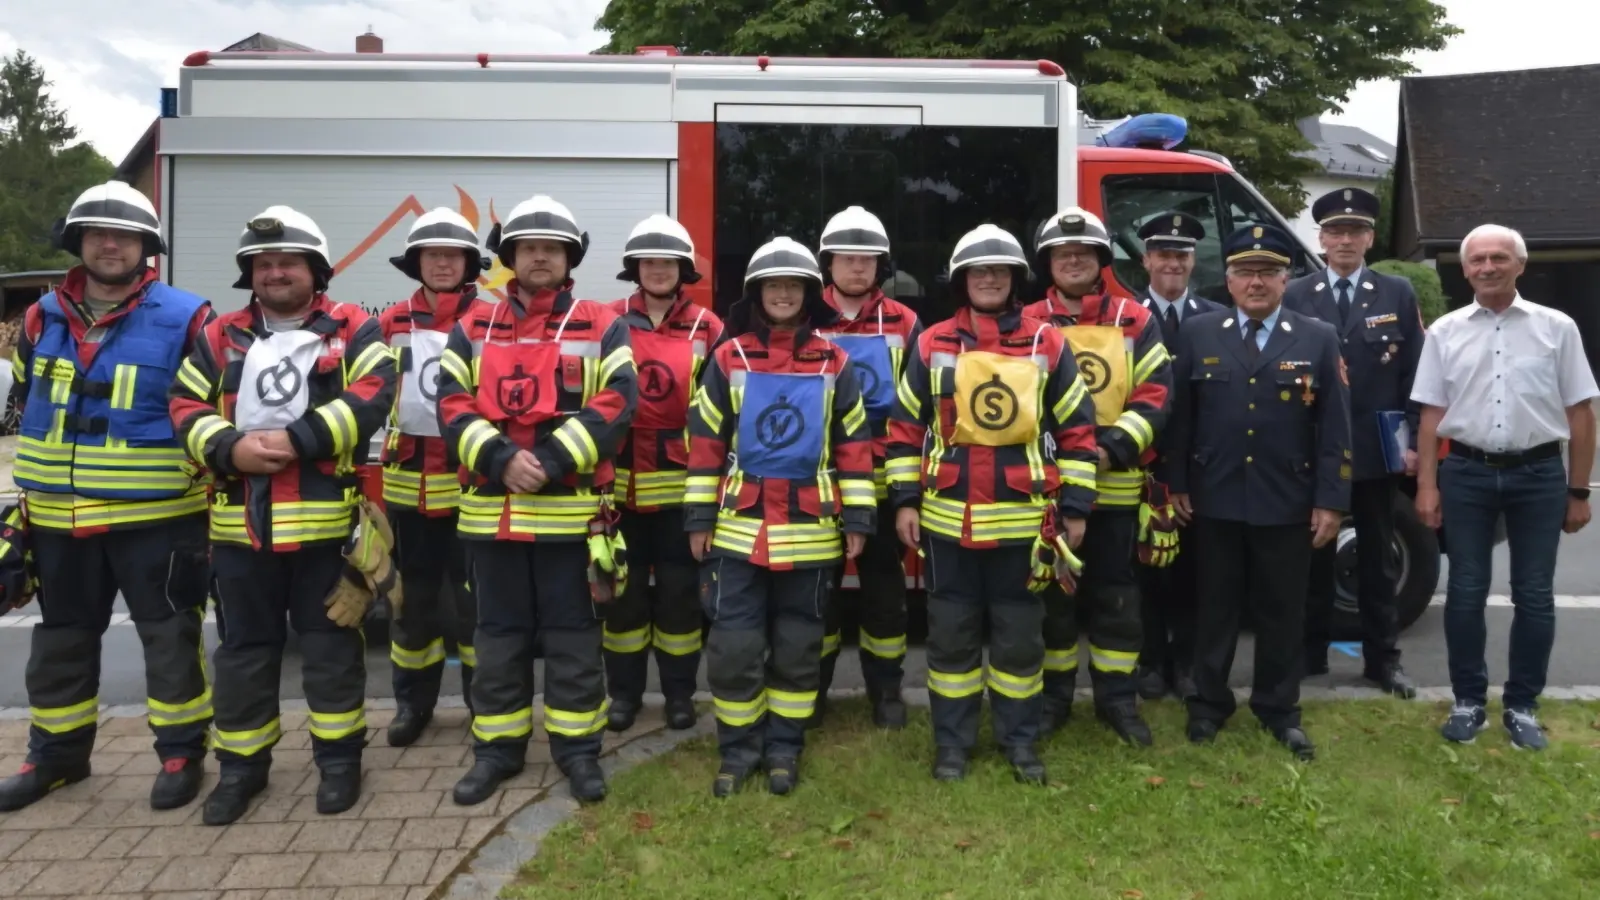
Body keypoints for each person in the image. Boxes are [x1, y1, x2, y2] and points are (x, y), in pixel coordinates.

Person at [170, 206, 397, 823]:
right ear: (250, 274)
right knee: (244, 654)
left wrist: (297, 441)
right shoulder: (220, 336)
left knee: (330, 651)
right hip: (241, 532)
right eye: (263, 264)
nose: (274, 273)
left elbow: (373, 394)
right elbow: (186, 404)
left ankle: (340, 761)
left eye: (287, 263)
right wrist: (230, 448)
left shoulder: (354, 329)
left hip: (326, 533)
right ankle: (242, 769)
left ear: (315, 270)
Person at [0, 182, 214, 813]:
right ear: (78, 242)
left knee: (170, 639)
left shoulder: (187, 317)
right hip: (59, 520)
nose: (111, 243)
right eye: (98, 233)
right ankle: (57, 758)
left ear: (148, 247)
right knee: (60, 641)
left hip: (158, 520)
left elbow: (206, 408)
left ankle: (180, 754)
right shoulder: (41, 318)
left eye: (125, 235)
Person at [435, 195, 636, 806]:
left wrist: (547, 462)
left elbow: (617, 404)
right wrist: (499, 459)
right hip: (492, 519)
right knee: (497, 638)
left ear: (569, 256)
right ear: (510, 259)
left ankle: (578, 752)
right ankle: (497, 751)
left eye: (551, 248)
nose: (539, 257)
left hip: (571, 518)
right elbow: (450, 404)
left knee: (575, 638)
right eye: (528, 249)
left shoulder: (602, 323)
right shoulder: (472, 326)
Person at [886, 225, 1099, 783]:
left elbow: (1078, 428)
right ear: (962, 280)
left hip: (1025, 524)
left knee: (1019, 641)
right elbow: (906, 427)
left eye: (999, 271)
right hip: (946, 523)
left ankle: (1020, 743)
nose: (988, 279)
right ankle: (951, 746)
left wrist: (1075, 507)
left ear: (1014, 280)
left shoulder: (1045, 343)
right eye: (979, 271)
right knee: (950, 639)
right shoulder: (931, 342)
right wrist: (905, 500)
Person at [684, 237, 874, 797]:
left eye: (794, 285)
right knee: (734, 649)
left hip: (811, 535)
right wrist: (698, 518)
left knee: (798, 650)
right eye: (774, 285)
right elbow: (705, 444)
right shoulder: (728, 357)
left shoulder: (834, 361)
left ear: (810, 294)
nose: (784, 293)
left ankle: (786, 748)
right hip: (739, 535)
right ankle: (739, 752)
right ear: (757, 293)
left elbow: (853, 445)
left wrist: (859, 521)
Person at [1167, 223, 1350, 762]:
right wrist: (1176, 482)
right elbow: (1182, 420)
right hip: (1214, 497)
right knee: (1214, 609)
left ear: (1285, 278)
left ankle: (1278, 709)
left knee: (1281, 611)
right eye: (1245, 271)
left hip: (1286, 500)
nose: (1256, 282)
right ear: (1227, 279)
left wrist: (1331, 499)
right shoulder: (1199, 333)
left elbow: (1336, 429)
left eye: (1267, 271)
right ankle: (1208, 704)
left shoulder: (1316, 336)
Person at [1412, 223, 1597, 751]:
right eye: (1477, 260)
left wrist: (1578, 490)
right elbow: (1431, 414)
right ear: (1465, 268)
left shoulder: (1557, 328)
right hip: (1466, 474)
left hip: (1538, 475)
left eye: (1498, 257)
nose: (1487, 267)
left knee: (1534, 595)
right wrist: (1427, 485)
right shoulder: (1445, 332)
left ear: (1520, 264)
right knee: (1465, 592)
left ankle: (1522, 706)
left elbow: (1581, 411)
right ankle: (1468, 700)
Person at [1022, 208, 1172, 745]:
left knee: (1115, 600)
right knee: (1052, 603)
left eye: (1084, 253)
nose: (1074, 261)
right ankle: (1053, 700)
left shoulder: (1135, 318)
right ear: (1048, 263)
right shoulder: (1026, 323)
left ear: (1102, 261)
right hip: (1050, 491)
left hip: (1114, 488)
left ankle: (1117, 702)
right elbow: (1017, 408)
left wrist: (1105, 452)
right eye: (1064, 255)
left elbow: (1154, 395)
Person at [1285, 187, 1421, 697]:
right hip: (1312, 449)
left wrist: (1408, 440)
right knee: (1311, 555)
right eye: (1335, 231)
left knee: (1378, 560)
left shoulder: (1397, 294)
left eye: (1356, 231)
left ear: (1369, 238)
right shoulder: (1297, 294)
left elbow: (1414, 374)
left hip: (1373, 448)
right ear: (1320, 239)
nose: (1345, 240)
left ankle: (1383, 660)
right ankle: (1309, 654)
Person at [603, 214, 723, 734]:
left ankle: (679, 696)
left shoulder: (709, 327)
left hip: (681, 492)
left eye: (667, 261)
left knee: (679, 601)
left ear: (683, 269)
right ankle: (624, 697)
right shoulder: (607, 321)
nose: (657, 269)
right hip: (619, 489)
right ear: (635, 267)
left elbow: (724, 409)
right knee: (622, 599)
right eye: (648, 261)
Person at [376, 209, 491, 745]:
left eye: (452, 254)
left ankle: (483, 706)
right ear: (416, 262)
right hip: (408, 491)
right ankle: (412, 706)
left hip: (472, 486)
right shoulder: (390, 322)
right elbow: (366, 396)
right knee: (411, 608)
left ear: (469, 263)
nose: (442, 262)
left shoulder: (492, 319)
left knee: (475, 609)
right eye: (432, 254)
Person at [812, 206, 924, 731]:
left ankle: (887, 693)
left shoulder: (905, 323)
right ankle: (810, 691)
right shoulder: (803, 317)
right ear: (827, 263)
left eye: (867, 259)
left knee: (885, 595)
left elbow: (915, 407)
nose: (857, 268)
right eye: (846, 258)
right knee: (818, 595)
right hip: (817, 486)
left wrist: (907, 492)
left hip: (882, 485)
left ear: (881, 266)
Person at [1133, 211, 1223, 701]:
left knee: (1192, 573)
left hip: (1196, 470)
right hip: (1140, 467)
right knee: (1144, 571)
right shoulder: (1124, 319)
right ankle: (1151, 662)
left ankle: (1186, 663)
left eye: (1182, 255)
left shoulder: (1215, 319)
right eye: (1164, 254)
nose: (1173, 263)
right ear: (1146, 259)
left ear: (1193, 263)